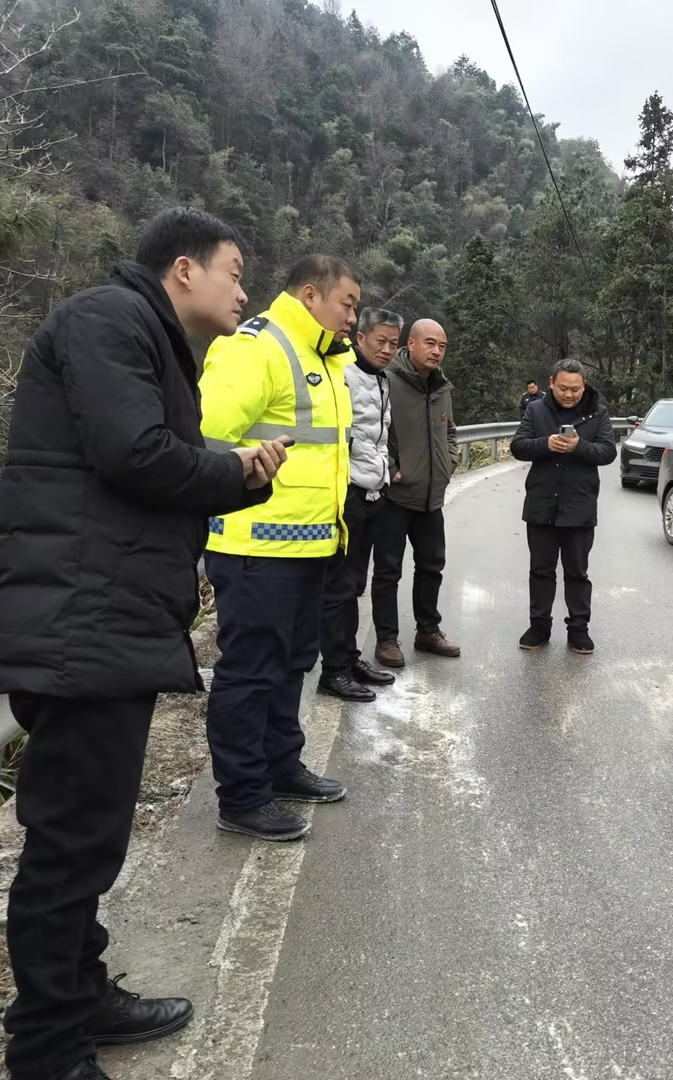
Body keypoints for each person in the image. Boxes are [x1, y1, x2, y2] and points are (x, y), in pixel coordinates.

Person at [0, 208, 288, 1080]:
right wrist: (239, 468)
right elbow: (137, 455)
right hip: (82, 618)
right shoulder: (108, 320)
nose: (243, 289)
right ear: (184, 270)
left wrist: (238, 473)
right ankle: (47, 1050)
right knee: (70, 843)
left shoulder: (149, 339)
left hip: (107, 617)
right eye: (233, 270)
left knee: (90, 834)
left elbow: (159, 466)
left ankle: (80, 994)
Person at [199, 254, 359, 842]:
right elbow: (206, 443)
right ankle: (241, 797)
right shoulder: (255, 347)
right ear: (311, 294)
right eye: (347, 303)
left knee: (292, 664)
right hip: (256, 546)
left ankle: (280, 766)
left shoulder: (327, 361)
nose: (352, 317)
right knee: (250, 672)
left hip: (309, 547)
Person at [319, 307, 405, 700]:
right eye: (381, 341)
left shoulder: (381, 379)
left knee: (354, 585)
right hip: (347, 494)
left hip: (374, 493)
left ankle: (349, 658)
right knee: (338, 587)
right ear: (361, 338)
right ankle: (333, 671)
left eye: (394, 343)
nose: (388, 349)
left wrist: (386, 475)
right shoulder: (342, 373)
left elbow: (379, 436)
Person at [510, 358, 617, 655]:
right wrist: (547, 444)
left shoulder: (598, 412)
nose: (570, 395)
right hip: (541, 504)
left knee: (577, 573)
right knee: (541, 571)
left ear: (584, 386)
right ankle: (539, 626)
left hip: (579, 506)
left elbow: (608, 452)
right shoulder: (535, 410)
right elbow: (518, 446)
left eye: (576, 389)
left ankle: (579, 629)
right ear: (551, 384)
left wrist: (578, 447)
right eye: (564, 388)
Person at [379, 317, 462, 660]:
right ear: (410, 343)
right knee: (388, 571)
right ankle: (386, 639)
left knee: (432, 566)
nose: (436, 351)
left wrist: (450, 462)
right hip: (395, 498)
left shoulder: (442, 387)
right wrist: (392, 470)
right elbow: (372, 430)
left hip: (432, 497)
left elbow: (452, 432)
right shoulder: (387, 380)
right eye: (429, 343)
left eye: (442, 345)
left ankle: (428, 631)